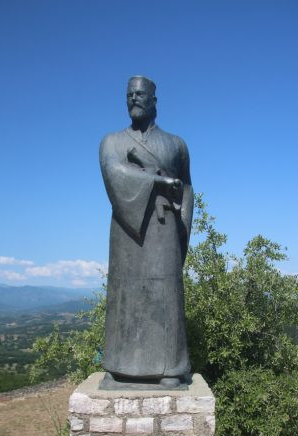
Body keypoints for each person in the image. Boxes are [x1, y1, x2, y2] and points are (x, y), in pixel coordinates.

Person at [99, 76, 194, 388]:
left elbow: (188, 189)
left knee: (166, 294)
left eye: (140, 94)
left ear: (154, 101)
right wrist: (156, 181)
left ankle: (170, 367)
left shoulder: (176, 144)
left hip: (165, 227)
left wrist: (183, 231)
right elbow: (114, 172)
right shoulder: (112, 141)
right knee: (124, 293)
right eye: (129, 95)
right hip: (127, 227)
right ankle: (118, 365)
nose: (133, 99)